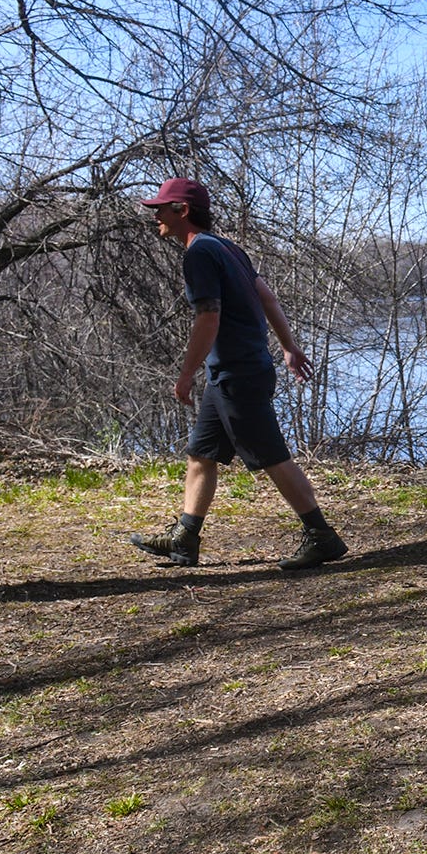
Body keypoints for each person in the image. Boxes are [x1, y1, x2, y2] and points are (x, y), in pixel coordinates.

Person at [128, 177, 349, 571]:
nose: (155, 215)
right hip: (233, 372)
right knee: (202, 453)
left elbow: (208, 317)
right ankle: (186, 538)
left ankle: (322, 536)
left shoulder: (199, 253)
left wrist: (185, 374)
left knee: (271, 457)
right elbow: (267, 296)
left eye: (160, 208)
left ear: (183, 211)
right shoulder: (228, 248)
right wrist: (288, 346)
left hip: (237, 374)